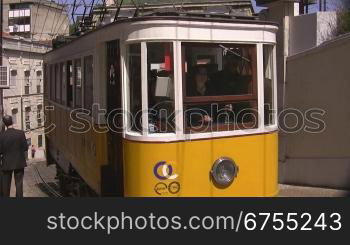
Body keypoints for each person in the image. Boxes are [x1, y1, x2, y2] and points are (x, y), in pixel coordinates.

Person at [0, 115, 28, 198]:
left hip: (6, 163)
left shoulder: (1, 136)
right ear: (12, 121)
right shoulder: (20, 133)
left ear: (4, 124)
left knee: (5, 186)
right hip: (19, 162)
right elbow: (25, 147)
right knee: (19, 185)